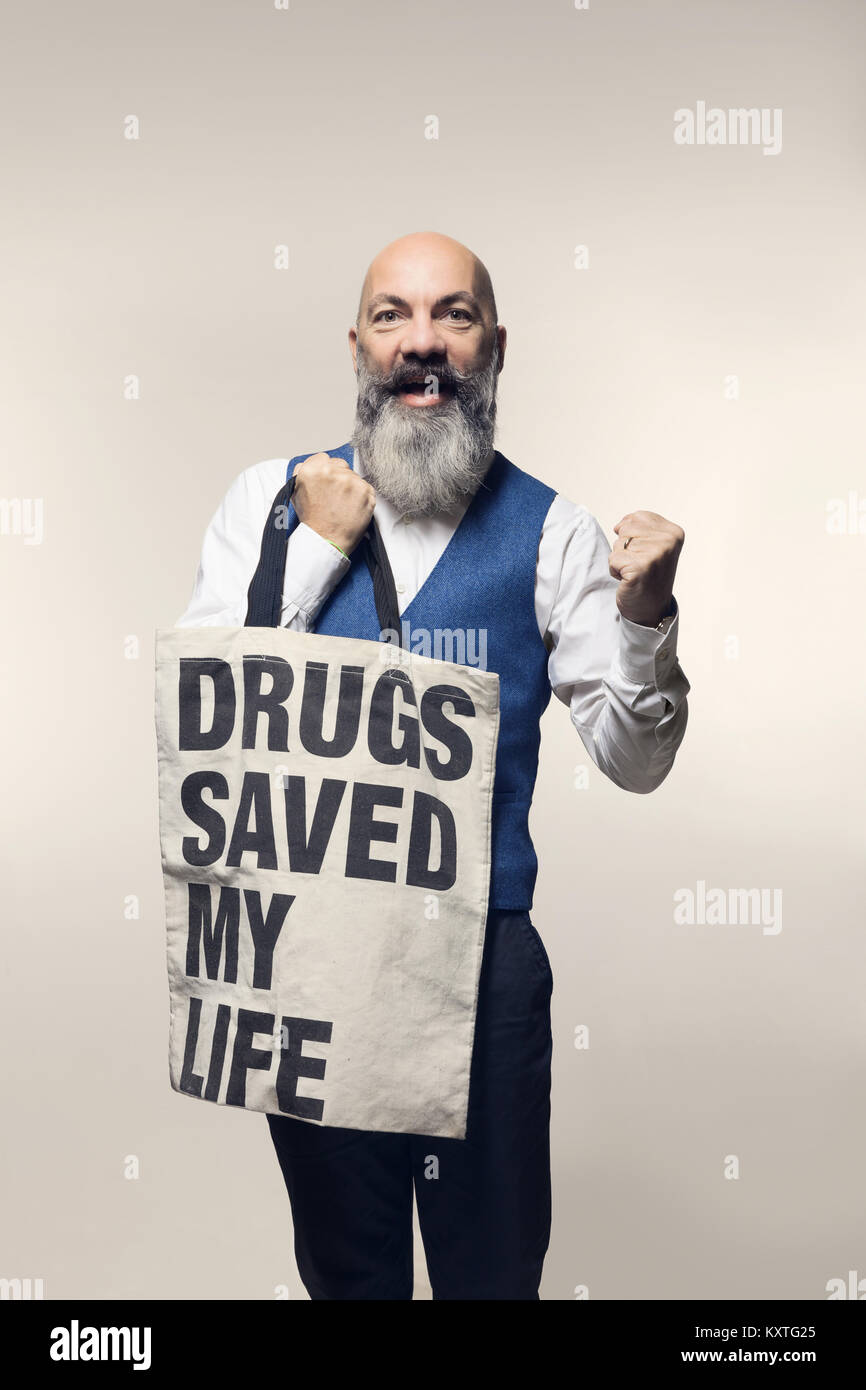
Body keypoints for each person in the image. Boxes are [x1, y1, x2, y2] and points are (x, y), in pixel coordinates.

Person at [176, 230, 690, 1300]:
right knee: (347, 1277)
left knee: (489, 1277)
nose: (423, 344)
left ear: (492, 346)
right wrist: (315, 546)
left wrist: (644, 618)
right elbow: (209, 716)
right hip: (312, 963)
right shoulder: (261, 504)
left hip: (482, 967)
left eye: (453, 316)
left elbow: (634, 762)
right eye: (392, 316)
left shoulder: (552, 533)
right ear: (357, 346)